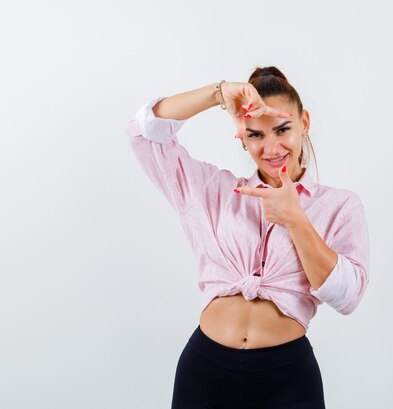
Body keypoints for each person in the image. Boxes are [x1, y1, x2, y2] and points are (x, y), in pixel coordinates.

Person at [124, 66, 370, 409]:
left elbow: (348, 296)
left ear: (305, 123)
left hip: (287, 378)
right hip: (204, 371)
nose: (271, 148)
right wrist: (218, 93)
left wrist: (296, 219)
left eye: (282, 129)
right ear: (242, 136)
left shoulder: (338, 206)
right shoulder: (215, 190)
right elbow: (146, 131)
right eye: (256, 135)